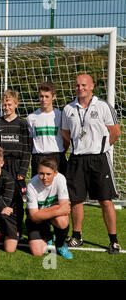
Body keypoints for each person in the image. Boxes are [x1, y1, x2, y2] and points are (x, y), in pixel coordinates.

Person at [61, 73, 121, 254]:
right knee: (76, 200)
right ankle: (77, 236)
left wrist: (100, 146)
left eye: (84, 85)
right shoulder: (68, 109)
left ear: (92, 86)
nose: (81, 88)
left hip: (98, 159)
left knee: (105, 200)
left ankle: (114, 240)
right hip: (77, 159)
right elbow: (65, 133)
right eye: (78, 85)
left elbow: (115, 131)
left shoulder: (103, 106)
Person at [0, 89, 29, 242]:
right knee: (2, 198)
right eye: (4, 105)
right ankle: (2, 229)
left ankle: (18, 229)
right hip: (2, 167)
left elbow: (27, 149)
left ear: (16, 104)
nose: (6, 107)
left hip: (17, 166)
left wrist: (23, 170)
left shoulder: (22, 123)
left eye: (9, 104)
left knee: (18, 200)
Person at [26, 157, 73, 259]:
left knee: (62, 220)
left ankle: (60, 245)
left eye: (48, 174)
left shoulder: (60, 179)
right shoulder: (31, 185)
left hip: (46, 214)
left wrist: (41, 212)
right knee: (37, 252)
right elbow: (34, 217)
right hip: (38, 220)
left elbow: (65, 207)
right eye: (41, 173)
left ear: (55, 173)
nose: (44, 177)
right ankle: (48, 233)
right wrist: (58, 209)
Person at [27, 81, 68, 178]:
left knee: (59, 189)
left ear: (53, 97)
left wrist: (60, 152)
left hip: (57, 156)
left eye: (46, 96)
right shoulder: (31, 117)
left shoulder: (61, 115)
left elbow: (66, 140)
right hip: (38, 157)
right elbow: (30, 141)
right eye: (41, 96)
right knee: (39, 189)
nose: (43, 99)